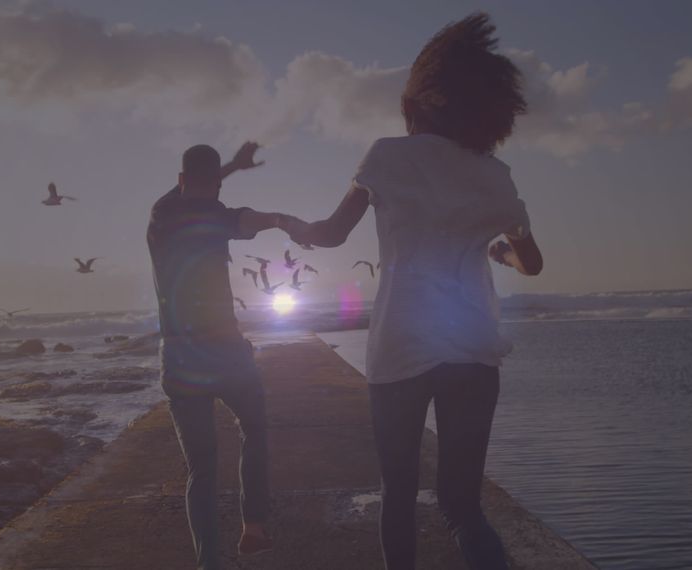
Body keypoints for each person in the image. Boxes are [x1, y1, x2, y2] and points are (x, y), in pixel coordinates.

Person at [281, 13, 543, 570]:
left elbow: (330, 234)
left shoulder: (387, 157)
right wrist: (496, 250)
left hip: (401, 347)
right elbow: (533, 262)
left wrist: (287, 224)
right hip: (473, 350)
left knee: (398, 493)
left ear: (419, 101)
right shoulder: (494, 175)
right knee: (463, 508)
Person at [147, 142, 291, 570]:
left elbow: (201, 187)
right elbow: (243, 219)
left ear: (179, 180)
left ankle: (209, 563)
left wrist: (232, 167)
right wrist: (284, 221)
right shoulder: (215, 214)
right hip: (226, 351)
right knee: (254, 428)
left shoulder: (162, 212)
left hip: (181, 356)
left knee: (202, 470)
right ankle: (255, 523)